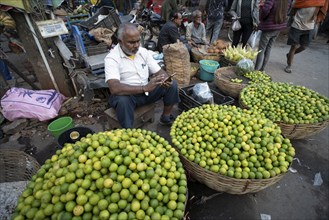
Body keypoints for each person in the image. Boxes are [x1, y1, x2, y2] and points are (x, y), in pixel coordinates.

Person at [104, 23, 180, 128]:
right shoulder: (112, 58)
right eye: (131, 42)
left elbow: (159, 71)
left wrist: (165, 79)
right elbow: (114, 88)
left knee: (173, 84)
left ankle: (165, 118)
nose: (136, 45)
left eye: (138, 41)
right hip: (129, 96)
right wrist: (144, 88)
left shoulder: (143, 52)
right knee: (122, 101)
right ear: (120, 42)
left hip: (147, 92)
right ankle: (128, 133)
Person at [285, 0, 328, 73]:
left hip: (310, 26)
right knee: (294, 46)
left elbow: (323, 10)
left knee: (304, 47)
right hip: (297, 24)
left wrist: (317, 22)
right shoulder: (299, 1)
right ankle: (289, 65)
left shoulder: (319, 1)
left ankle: (289, 55)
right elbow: (293, 7)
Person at [254, 0, 292, 71]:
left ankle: (256, 69)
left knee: (261, 49)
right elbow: (287, 11)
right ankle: (262, 68)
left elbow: (265, 10)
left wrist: (261, 17)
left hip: (269, 27)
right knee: (268, 48)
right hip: (278, 27)